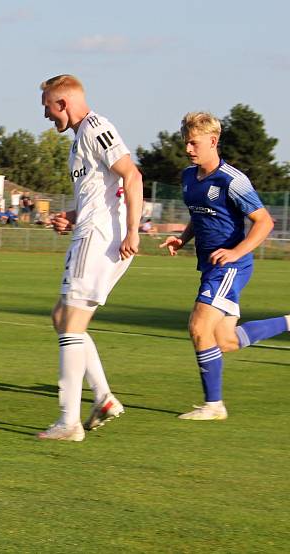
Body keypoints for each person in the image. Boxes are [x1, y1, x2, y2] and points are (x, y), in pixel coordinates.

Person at [159, 112, 288, 421]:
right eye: (186, 143)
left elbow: (264, 221)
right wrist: (183, 238)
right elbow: (200, 215)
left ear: (213, 141)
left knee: (198, 327)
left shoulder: (232, 179)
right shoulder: (189, 177)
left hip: (231, 265)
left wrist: (235, 252)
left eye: (194, 143)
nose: (188, 149)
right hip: (212, 265)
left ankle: (214, 406)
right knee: (224, 341)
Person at [38, 74, 143, 441]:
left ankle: (69, 422)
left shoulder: (96, 128)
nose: (48, 117)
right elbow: (103, 190)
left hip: (98, 240)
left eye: (48, 108)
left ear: (62, 103)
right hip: (93, 233)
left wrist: (133, 230)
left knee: (70, 323)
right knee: (62, 317)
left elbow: (132, 175)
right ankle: (103, 398)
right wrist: (71, 215)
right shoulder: (80, 140)